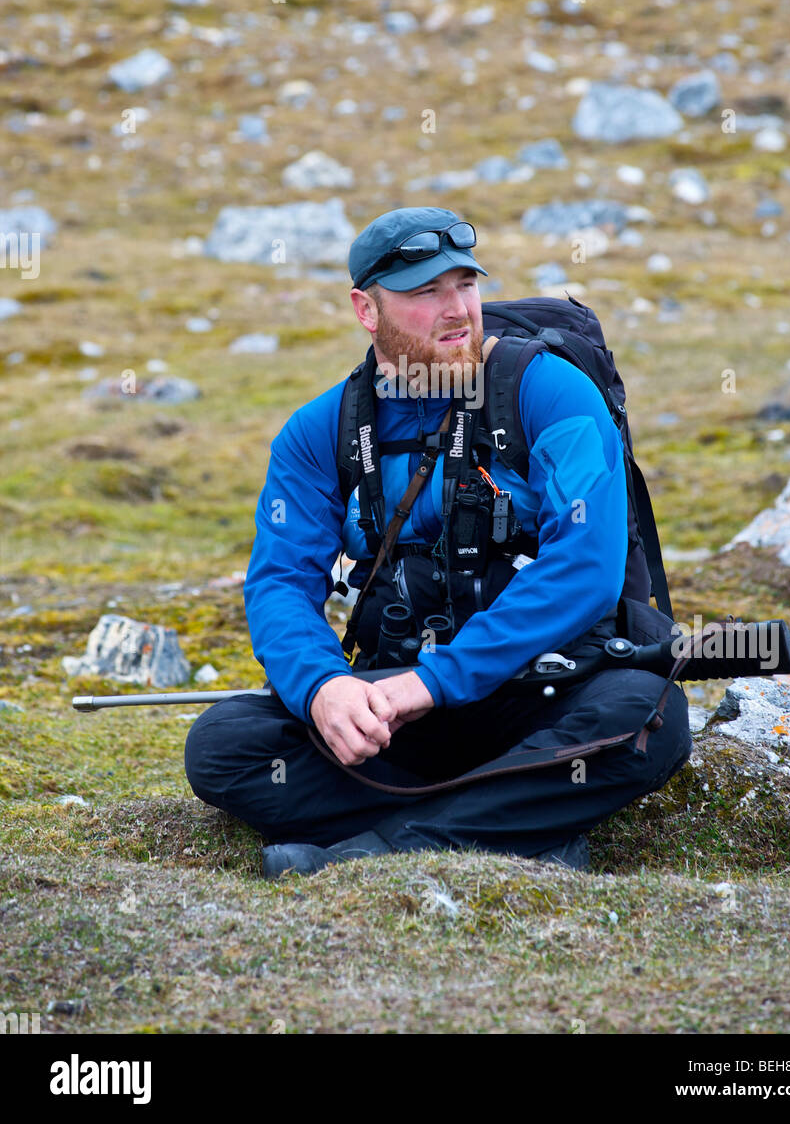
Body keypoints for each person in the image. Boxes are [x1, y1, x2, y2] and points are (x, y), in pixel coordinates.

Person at [184, 206, 692, 878]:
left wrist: (435, 680)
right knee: (225, 746)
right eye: (425, 292)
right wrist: (324, 689)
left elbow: (586, 568)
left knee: (644, 715)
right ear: (367, 309)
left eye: (465, 285)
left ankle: (370, 854)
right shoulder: (317, 433)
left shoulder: (551, 391)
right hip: (402, 712)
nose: (456, 309)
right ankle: (515, 830)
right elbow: (280, 583)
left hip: (546, 696)